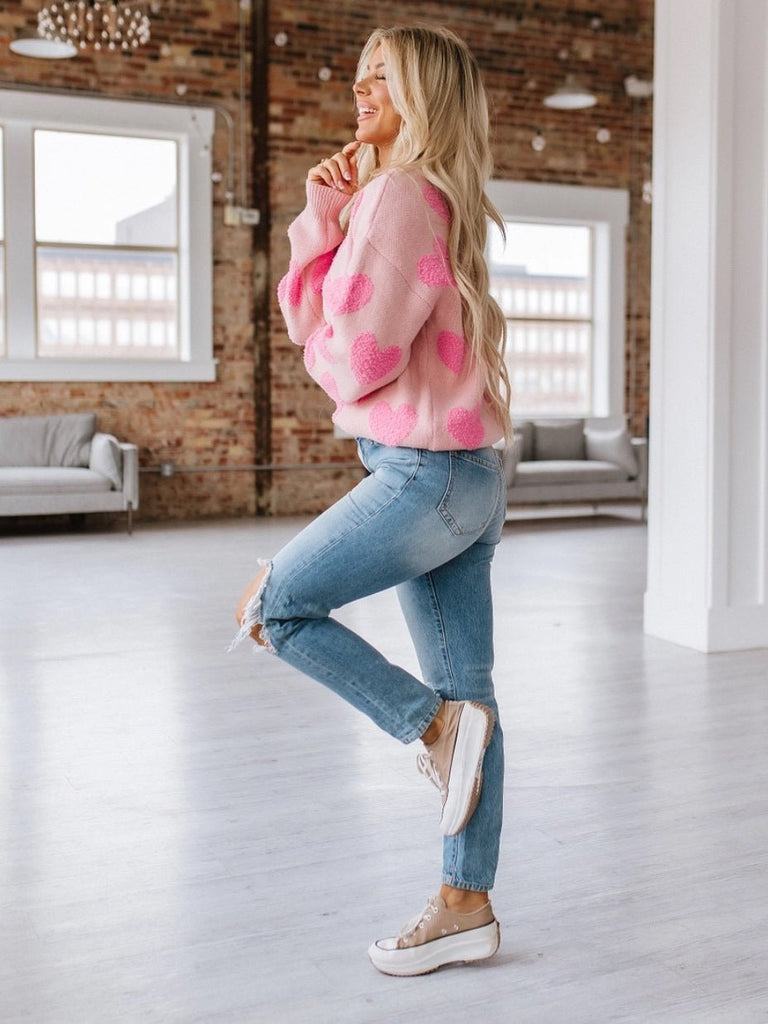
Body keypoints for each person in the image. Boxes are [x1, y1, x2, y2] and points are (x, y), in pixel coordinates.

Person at [232, 25, 511, 977]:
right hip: (471, 479)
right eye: (359, 73)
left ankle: (429, 729)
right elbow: (333, 317)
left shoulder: (398, 195)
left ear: (423, 93)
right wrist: (325, 216)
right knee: (471, 694)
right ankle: (465, 903)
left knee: (276, 607)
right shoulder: (430, 198)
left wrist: (343, 231)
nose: (361, 88)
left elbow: (351, 350)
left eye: (382, 76)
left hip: (421, 473)